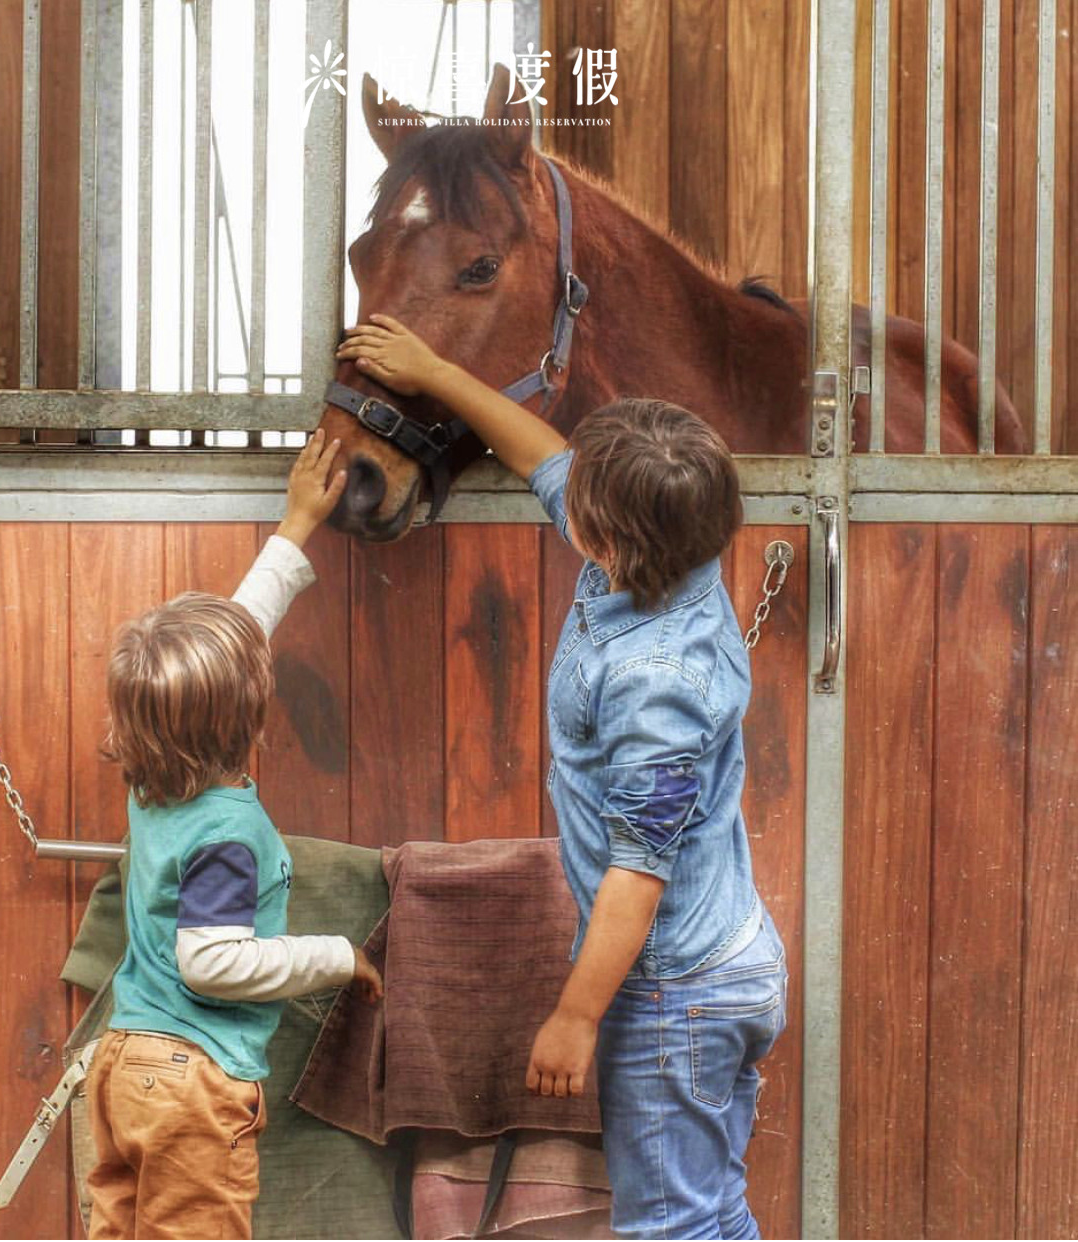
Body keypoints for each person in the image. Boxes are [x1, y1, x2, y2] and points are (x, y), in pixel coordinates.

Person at [337, 315, 787, 1240]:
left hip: (674, 995)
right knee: (708, 1212)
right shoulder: (669, 551)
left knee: (671, 1228)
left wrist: (577, 1017)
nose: (562, 488)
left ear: (605, 541)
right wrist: (434, 371)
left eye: (580, 493)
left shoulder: (661, 683)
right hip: (718, 960)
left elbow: (638, 871)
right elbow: (546, 455)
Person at [85, 429, 384, 1241]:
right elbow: (211, 963)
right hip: (190, 1078)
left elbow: (233, 637)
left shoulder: (153, 779)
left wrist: (296, 528)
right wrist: (336, 955)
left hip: (123, 1064)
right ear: (250, 712)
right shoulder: (227, 834)